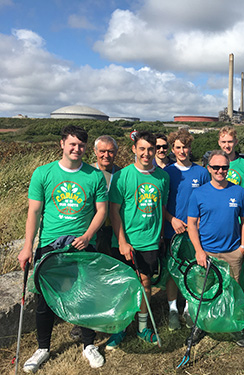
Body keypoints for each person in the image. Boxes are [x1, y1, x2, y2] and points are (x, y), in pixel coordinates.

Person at [18, 125, 108, 372]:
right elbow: (34, 212)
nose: (77, 149)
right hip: (50, 245)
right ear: (62, 144)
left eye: (81, 145)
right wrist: (28, 247)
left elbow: (102, 210)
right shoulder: (43, 173)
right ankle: (43, 348)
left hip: (81, 245)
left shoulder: (94, 175)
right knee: (45, 300)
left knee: (85, 295)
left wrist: (88, 235)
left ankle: (89, 344)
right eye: (72, 144)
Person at [107, 131, 170, 349]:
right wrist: (122, 241)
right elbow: (114, 212)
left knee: (145, 284)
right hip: (126, 242)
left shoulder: (163, 177)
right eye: (142, 149)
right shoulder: (122, 176)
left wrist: (160, 235)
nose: (146, 153)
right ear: (134, 149)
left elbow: (160, 208)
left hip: (150, 242)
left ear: (155, 150)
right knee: (124, 286)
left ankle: (143, 327)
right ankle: (120, 328)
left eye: (150, 149)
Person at [187, 150, 244, 347]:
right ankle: (200, 325)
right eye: (216, 167)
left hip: (232, 251)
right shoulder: (199, 193)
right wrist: (198, 250)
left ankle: (235, 326)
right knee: (204, 292)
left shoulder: (238, 191)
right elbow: (191, 224)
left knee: (233, 292)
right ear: (209, 169)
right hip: (206, 253)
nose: (220, 171)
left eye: (224, 167)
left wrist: (242, 247)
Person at [69, 135, 121, 342]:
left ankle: (109, 316)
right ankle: (81, 323)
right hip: (89, 234)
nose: (106, 155)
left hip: (113, 232)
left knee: (109, 275)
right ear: (95, 151)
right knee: (87, 277)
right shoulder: (86, 172)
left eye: (110, 151)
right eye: (102, 151)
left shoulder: (121, 173)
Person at [164, 129, 210, 330]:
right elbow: (160, 202)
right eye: (178, 147)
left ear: (191, 148)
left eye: (186, 147)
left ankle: (189, 308)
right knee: (173, 272)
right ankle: (173, 309)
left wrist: (200, 221)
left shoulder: (201, 172)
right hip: (172, 230)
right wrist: (172, 219)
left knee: (194, 270)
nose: (182, 151)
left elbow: (207, 200)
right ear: (172, 149)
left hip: (194, 231)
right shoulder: (167, 173)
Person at [218, 126, 244, 230]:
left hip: (240, 220)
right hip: (218, 218)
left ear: (236, 142)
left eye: (230, 141)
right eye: (224, 142)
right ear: (219, 143)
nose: (227, 145)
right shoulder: (213, 164)